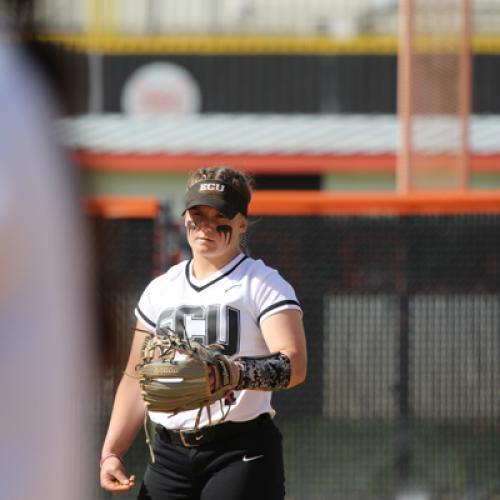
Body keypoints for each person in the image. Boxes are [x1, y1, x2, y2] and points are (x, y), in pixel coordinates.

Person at [100, 166, 307, 500]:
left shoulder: (262, 284)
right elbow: (135, 376)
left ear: (241, 222)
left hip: (239, 450)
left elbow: (294, 365)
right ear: (185, 219)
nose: (206, 225)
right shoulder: (161, 289)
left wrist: (231, 373)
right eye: (198, 214)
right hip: (168, 455)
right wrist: (112, 451)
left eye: (219, 215)